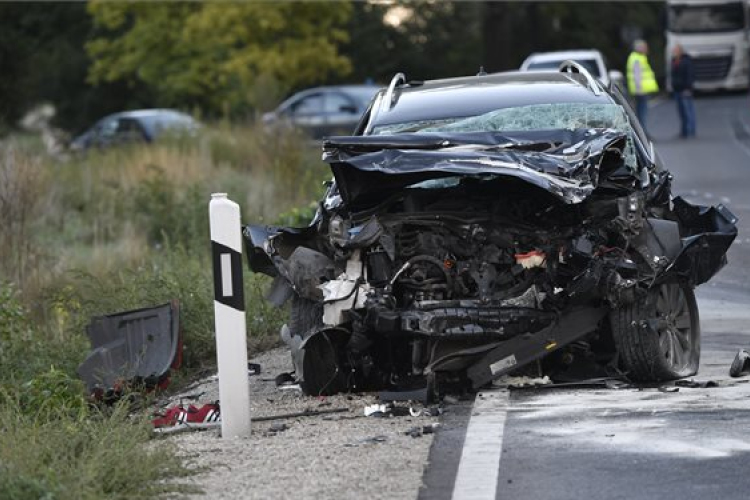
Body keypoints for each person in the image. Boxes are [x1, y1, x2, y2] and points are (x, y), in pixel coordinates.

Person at [626, 39, 659, 134]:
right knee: (642, 114)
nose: (647, 49)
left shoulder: (637, 57)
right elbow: (637, 76)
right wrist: (639, 89)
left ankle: (642, 133)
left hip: (639, 90)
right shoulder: (637, 58)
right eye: (645, 47)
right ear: (640, 48)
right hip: (640, 91)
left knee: (640, 113)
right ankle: (643, 134)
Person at [670, 44, 696, 138]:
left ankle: (690, 131)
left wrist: (688, 88)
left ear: (680, 51)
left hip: (685, 89)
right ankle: (684, 131)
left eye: (676, 50)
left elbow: (690, 75)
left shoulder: (686, 61)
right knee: (681, 112)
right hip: (677, 89)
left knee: (688, 111)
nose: (674, 52)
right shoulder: (674, 61)